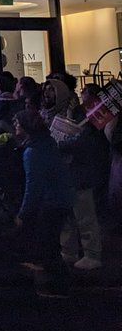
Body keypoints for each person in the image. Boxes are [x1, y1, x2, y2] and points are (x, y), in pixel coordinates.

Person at [14, 108, 74, 297]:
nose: (15, 125)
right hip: (61, 198)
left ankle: (59, 287)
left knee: (48, 247)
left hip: (51, 202)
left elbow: (34, 185)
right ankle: (59, 284)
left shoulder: (32, 152)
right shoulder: (46, 144)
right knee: (50, 244)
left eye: (17, 122)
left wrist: (24, 213)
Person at [61, 85, 109, 271]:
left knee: (84, 214)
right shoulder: (79, 114)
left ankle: (91, 253)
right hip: (73, 171)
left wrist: (64, 143)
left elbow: (84, 142)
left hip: (82, 171)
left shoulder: (90, 118)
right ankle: (70, 250)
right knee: (71, 214)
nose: (81, 97)